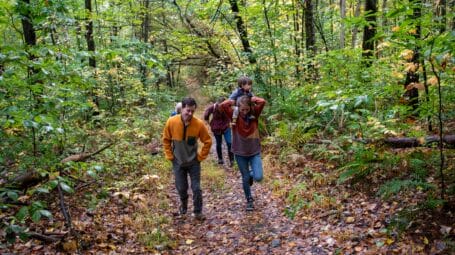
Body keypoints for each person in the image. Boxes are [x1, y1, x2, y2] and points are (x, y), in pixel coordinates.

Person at [162, 97, 212, 220]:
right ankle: (183, 207)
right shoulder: (171, 122)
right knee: (181, 188)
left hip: (193, 162)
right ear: (182, 108)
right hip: (178, 161)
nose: (190, 114)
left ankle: (198, 212)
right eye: (188, 110)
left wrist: (200, 157)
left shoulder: (198, 124)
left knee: (196, 188)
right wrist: (170, 156)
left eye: (192, 111)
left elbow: (208, 141)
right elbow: (166, 140)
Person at [220, 95, 266, 211]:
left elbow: (262, 101)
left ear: (250, 107)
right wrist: (234, 100)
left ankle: (251, 174)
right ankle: (249, 200)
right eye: (242, 110)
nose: (245, 112)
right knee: (245, 178)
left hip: (254, 150)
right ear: (238, 108)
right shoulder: (234, 114)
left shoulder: (254, 113)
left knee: (258, 176)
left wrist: (251, 99)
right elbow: (223, 105)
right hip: (239, 151)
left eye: (247, 109)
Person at [203, 96, 234, 167]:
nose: (222, 107)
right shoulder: (213, 107)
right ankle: (220, 159)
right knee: (218, 143)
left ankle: (232, 160)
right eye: (220, 105)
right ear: (218, 103)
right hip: (217, 128)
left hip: (226, 127)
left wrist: (232, 122)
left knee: (229, 143)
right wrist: (209, 124)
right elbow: (206, 115)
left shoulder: (228, 106)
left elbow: (233, 113)